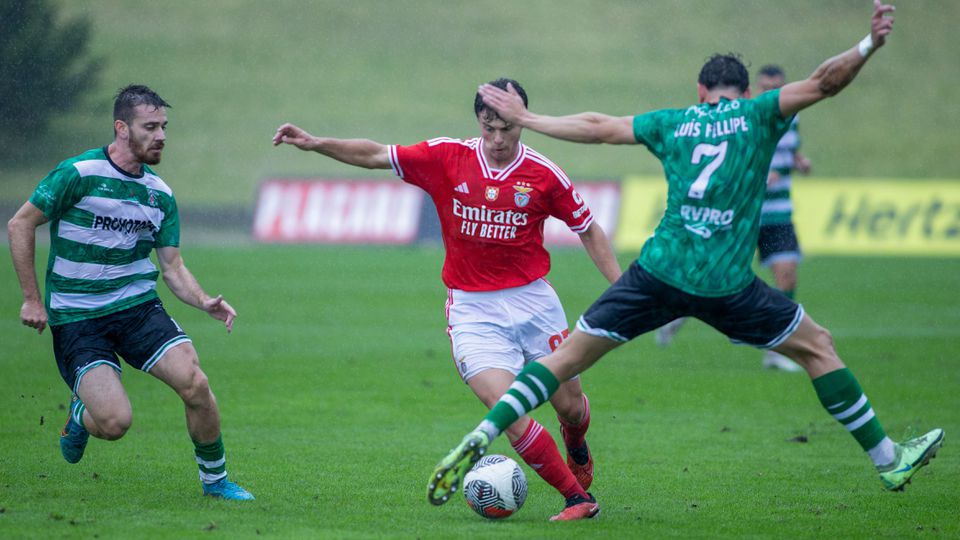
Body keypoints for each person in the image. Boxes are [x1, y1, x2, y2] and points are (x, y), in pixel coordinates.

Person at [429, 1, 943, 507]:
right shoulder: (759, 113)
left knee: (562, 360)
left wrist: (530, 118)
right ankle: (887, 458)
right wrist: (869, 43)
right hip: (726, 282)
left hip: (658, 271)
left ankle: (489, 428)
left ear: (699, 92)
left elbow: (598, 127)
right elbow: (826, 80)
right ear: (743, 92)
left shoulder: (675, 122)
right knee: (818, 348)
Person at [273, 78, 621, 521]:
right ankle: (577, 499)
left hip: (534, 303)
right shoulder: (446, 157)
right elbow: (377, 154)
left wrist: (622, 289)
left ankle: (575, 440)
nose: (497, 140)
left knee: (570, 406)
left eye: (508, 129)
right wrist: (316, 143)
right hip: (473, 310)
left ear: (523, 122)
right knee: (507, 412)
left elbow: (587, 227)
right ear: (478, 121)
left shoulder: (544, 174)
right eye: (488, 127)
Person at [7, 85, 254, 500]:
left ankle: (216, 483)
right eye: (150, 126)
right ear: (122, 128)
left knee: (196, 384)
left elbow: (172, 266)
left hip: (137, 310)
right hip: (79, 318)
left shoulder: (160, 194)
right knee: (115, 423)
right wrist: (32, 298)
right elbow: (20, 224)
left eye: (164, 127)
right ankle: (80, 414)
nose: (161, 136)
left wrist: (203, 300)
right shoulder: (78, 174)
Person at [655, 65, 813, 374]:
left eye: (776, 87)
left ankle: (776, 349)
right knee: (710, 277)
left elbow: (789, 152)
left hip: (776, 215)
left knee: (787, 277)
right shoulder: (747, 120)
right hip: (739, 215)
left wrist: (798, 162)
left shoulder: (792, 119)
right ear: (756, 88)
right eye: (765, 87)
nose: (771, 92)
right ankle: (678, 314)